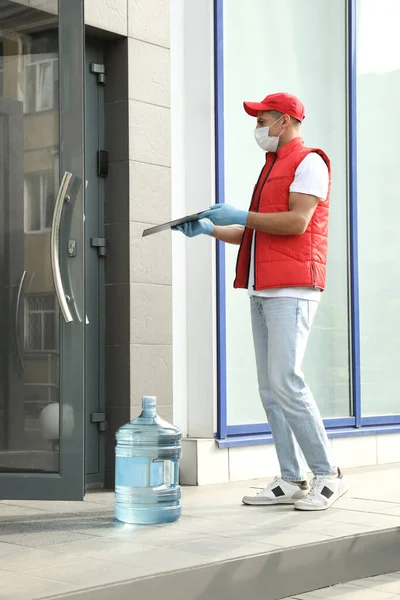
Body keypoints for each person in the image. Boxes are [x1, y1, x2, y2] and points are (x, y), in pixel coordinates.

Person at [173, 92, 348, 511]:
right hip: (263, 289)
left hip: (293, 289)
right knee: (270, 389)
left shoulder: (310, 162)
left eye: (262, 119)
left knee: (286, 379)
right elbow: (253, 232)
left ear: (284, 122)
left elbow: (296, 222)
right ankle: (291, 478)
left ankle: (329, 474)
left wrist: (240, 215)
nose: (258, 128)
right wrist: (211, 229)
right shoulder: (271, 167)